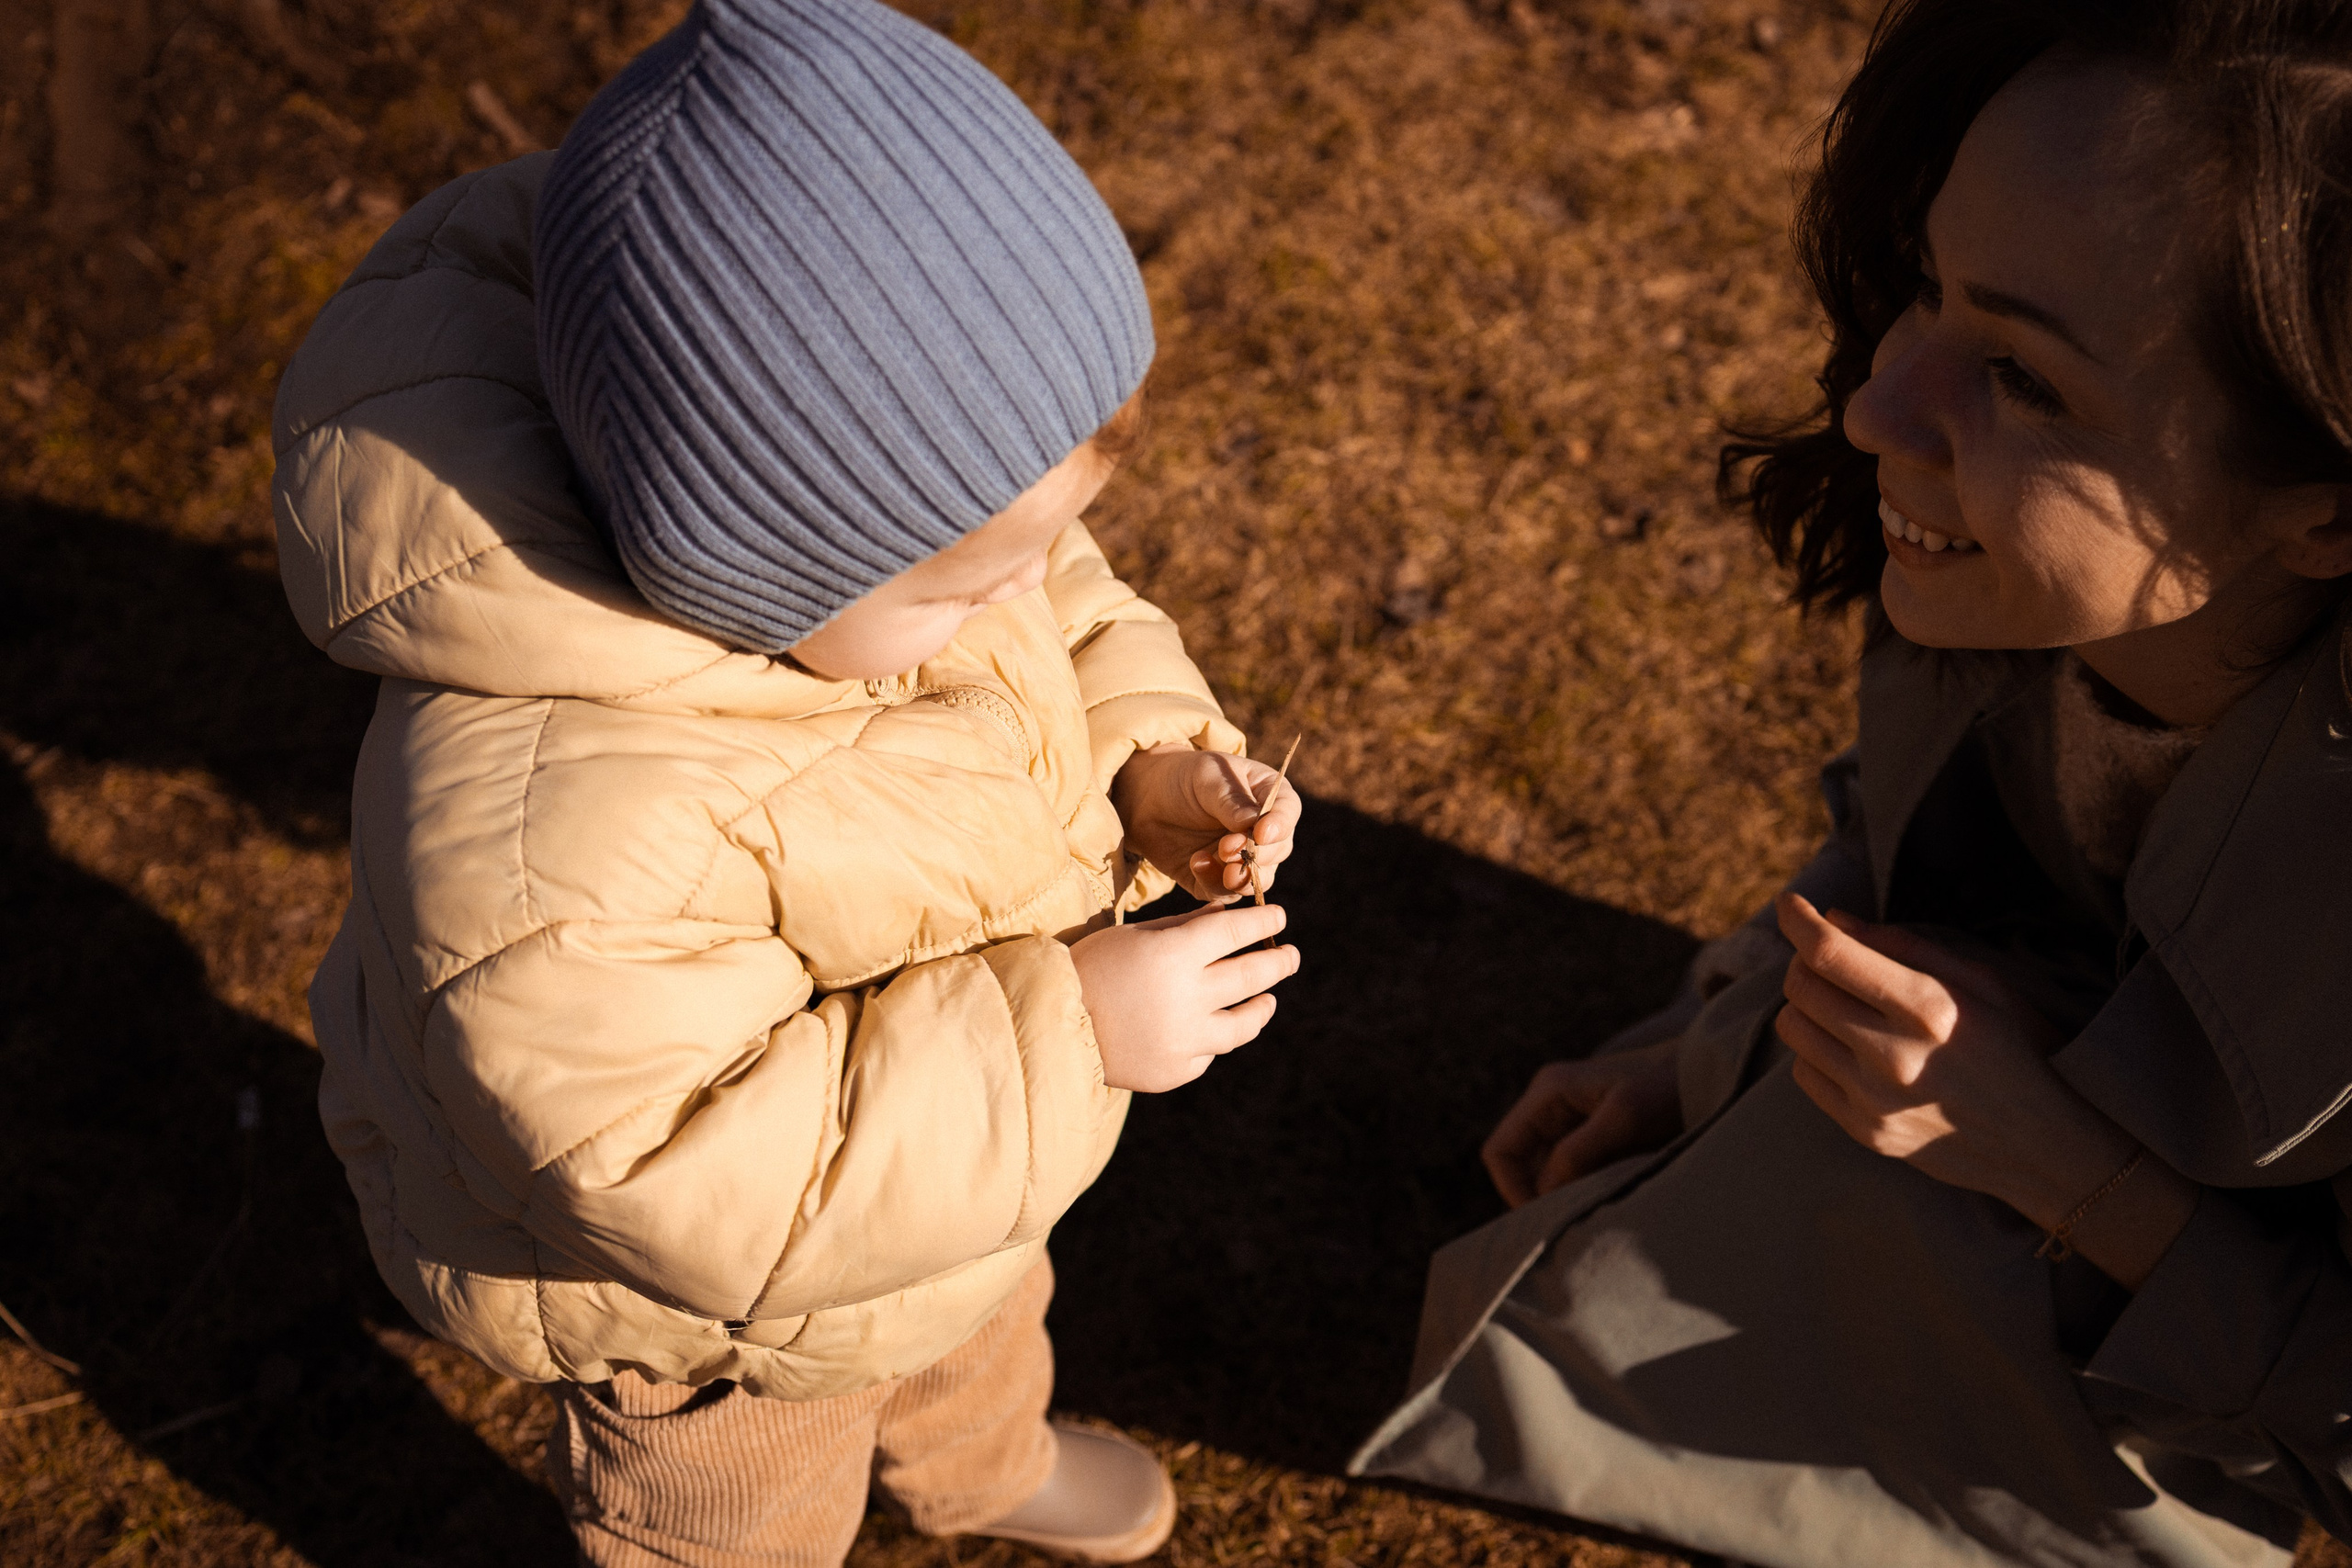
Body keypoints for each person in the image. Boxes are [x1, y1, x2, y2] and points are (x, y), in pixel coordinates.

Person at [269, 2, 1304, 1562]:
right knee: (736, 1525)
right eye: (971, 581)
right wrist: (1068, 1034)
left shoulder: (919, 564)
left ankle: (977, 1468)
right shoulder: (552, 838)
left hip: (955, 1185)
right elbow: (680, 1167)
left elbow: (1067, 613)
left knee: (973, 1305)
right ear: (754, 564)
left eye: (1041, 539)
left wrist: (1148, 763)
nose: (1019, 593)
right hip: (713, 1334)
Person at [1350, 3, 2352, 1565]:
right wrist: (1710, 1034)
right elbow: (1912, 849)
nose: (1878, 408)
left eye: (2024, 378)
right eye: (1929, 291)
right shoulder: (2019, 602)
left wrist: (2065, 1173)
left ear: (2326, 508)